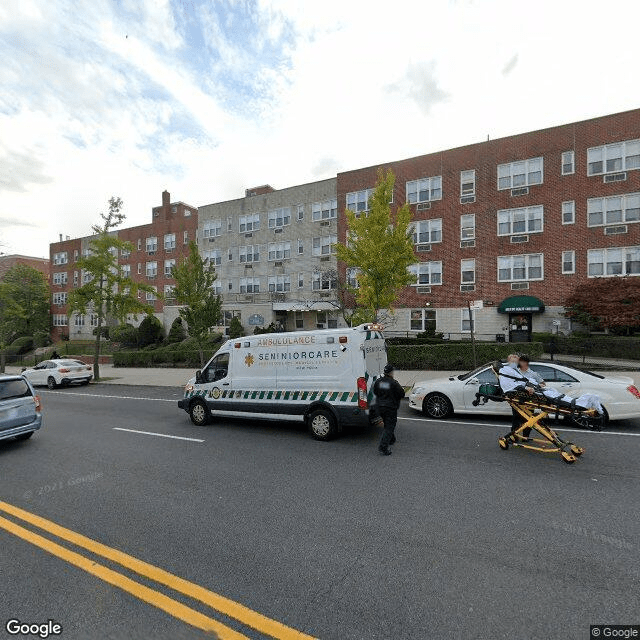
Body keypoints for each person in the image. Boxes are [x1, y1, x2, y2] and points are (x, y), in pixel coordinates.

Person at [373, 363, 405, 456]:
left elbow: (375, 392)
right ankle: (383, 447)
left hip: (380, 407)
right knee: (390, 426)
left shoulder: (378, 381)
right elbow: (402, 394)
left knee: (388, 424)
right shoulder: (394, 383)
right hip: (390, 408)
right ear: (391, 372)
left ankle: (391, 439)